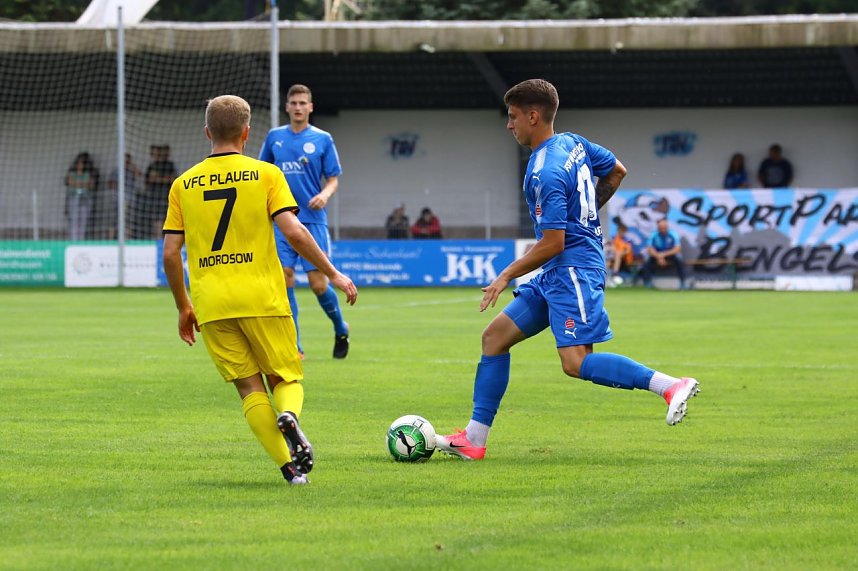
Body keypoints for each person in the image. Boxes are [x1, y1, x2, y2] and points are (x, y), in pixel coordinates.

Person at [434, 79, 699, 461]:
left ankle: (670, 386)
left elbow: (553, 242)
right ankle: (474, 440)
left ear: (533, 116)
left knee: (575, 363)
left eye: (512, 117)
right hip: (561, 268)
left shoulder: (545, 171)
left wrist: (506, 275)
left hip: (572, 269)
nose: (509, 125)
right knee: (494, 338)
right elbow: (617, 171)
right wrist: (584, 218)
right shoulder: (573, 143)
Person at [162, 95, 358, 485]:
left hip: (212, 303)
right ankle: (289, 415)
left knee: (249, 388)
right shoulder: (266, 175)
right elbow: (295, 232)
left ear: (207, 133)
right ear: (247, 134)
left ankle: (290, 470)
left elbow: (170, 252)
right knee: (285, 379)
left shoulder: (183, 184)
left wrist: (184, 306)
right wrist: (332, 273)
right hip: (263, 296)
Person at [259, 84, 350, 359]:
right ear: (287, 107)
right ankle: (294, 345)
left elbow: (333, 179)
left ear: (310, 107)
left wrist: (324, 195)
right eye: (294, 103)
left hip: (312, 220)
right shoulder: (274, 137)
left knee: (318, 285)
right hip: (281, 219)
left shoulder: (322, 139)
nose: (298, 107)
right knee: (285, 277)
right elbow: (263, 173)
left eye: (303, 103)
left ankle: (340, 327)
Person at [640, 219, 687, 289]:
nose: (662, 230)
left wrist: (663, 255)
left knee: (679, 259)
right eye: (660, 228)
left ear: (667, 227)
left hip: (670, 254)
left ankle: (683, 283)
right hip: (656, 254)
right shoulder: (653, 234)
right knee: (646, 260)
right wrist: (659, 257)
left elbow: (677, 249)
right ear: (658, 228)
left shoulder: (673, 234)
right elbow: (649, 248)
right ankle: (647, 282)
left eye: (664, 228)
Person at [106, 153, 143, 240]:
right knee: (113, 220)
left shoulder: (132, 170)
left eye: (127, 161)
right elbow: (110, 184)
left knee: (128, 221)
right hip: (117, 199)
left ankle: (127, 239)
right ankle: (111, 239)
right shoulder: (116, 170)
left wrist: (132, 167)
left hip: (130, 199)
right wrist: (117, 183)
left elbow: (140, 175)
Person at [144, 145, 178, 238]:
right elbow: (149, 180)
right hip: (154, 196)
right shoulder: (152, 166)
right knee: (156, 219)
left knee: (167, 218)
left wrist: (158, 178)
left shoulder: (170, 165)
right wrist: (162, 179)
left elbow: (173, 179)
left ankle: (166, 239)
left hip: (167, 195)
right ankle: (158, 239)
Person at [64, 152, 95, 240]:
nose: (80, 165)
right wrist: (84, 184)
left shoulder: (87, 174)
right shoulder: (71, 174)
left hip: (84, 199)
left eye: (82, 164)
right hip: (74, 198)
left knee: (83, 221)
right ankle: (73, 239)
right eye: (78, 163)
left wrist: (77, 184)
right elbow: (70, 183)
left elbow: (91, 186)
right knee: (74, 220)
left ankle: (81, 240)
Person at [606, 221, 635, 285]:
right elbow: (611, 247)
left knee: (618, 255)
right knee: (608, 262)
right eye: (620, 231)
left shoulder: (627, 240)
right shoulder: (613, 238)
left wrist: (621, 253)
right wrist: (616, 252)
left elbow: (628, 250)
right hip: (614, 257)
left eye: (622, 231)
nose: (621, 233)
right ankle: (606, 278)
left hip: (625, 259)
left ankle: (614, 274)